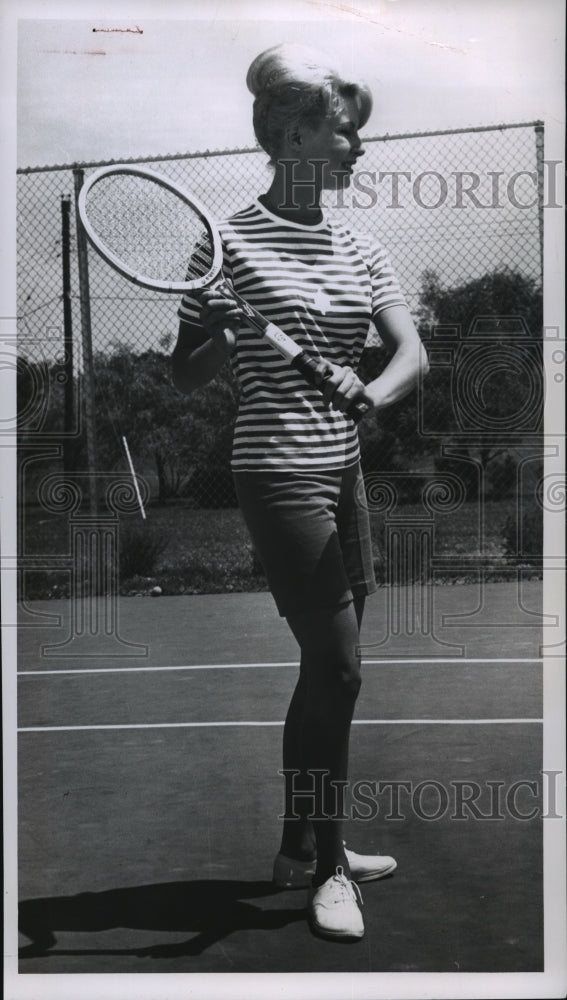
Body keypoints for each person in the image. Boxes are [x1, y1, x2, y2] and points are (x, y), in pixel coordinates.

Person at [172, 43, 429, 941]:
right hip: (275, 470)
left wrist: (374, 389)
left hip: (342, 466)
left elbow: (410, 355)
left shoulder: (360, 244)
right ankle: (328, 870)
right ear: (293, 134)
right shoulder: (227, 241)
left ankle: (297, 844)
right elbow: (187, 377)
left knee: (326, 674)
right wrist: (205, 334)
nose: (358, 148)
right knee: (343, 668)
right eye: (345, 132)